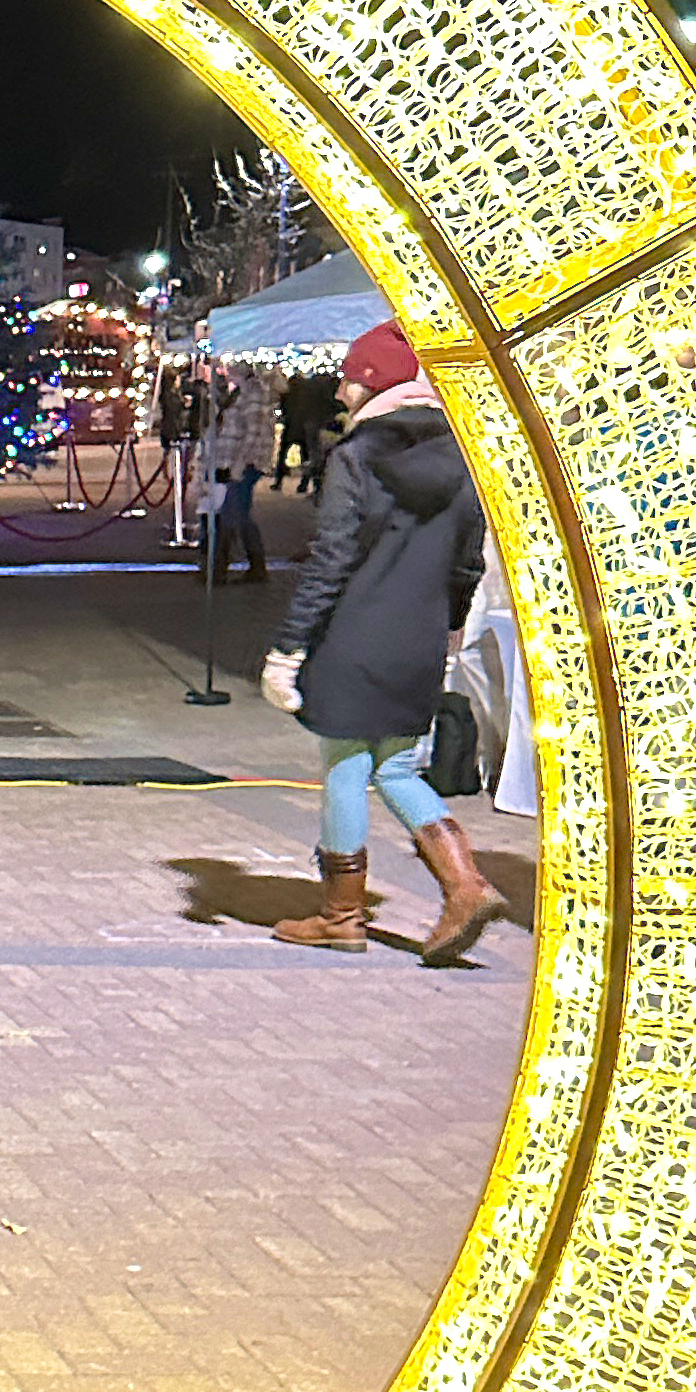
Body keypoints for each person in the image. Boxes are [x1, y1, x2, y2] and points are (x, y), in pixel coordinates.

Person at [261, 323, 503, 962]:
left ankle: (341, 915)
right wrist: (448, 627)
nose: (340, 391)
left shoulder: (357, 456)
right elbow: (467, 560)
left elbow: (332, 558)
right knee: (394, 764)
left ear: (371, 383)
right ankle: (465, 884)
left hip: (354, 634)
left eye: (351, 377)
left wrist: (288, 649)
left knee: (344, 764)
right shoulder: (463, 455)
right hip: (418, 637)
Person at [204, 370, 271, 579]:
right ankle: (252, 565)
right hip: (231, 460)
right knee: (237, 513)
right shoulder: (238, 391)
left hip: (245, 462)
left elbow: (253, 431)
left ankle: (220, 567)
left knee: (232, 513)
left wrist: (240, 462)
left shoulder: (253, 393)